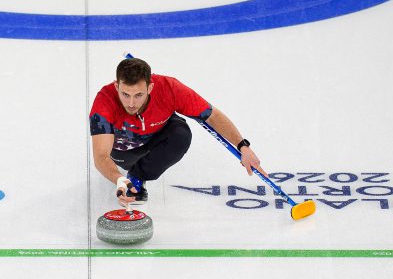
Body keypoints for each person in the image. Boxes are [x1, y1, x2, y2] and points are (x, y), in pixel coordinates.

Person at [89, 57, 263, 207]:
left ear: (150, 88)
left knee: (181, 135)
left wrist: (243, 146)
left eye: (139, 95)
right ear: (116, 86)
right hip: (125, 150)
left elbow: (212, 116)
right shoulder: (104, 102)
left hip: (157, 134)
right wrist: (119, 179)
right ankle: (130, 174)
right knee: (120, 156)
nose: (131, 103)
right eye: (125, 94)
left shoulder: (169, 88)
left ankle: (138, 175)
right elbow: (101, 157)